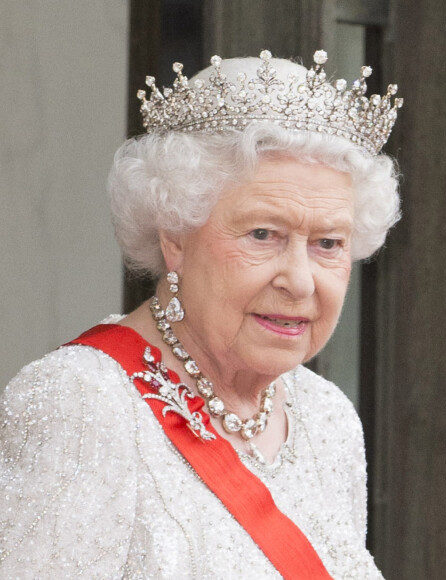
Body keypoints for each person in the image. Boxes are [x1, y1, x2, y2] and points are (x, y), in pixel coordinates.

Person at [0, 50, 402, 578]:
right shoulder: (84, 404)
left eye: (328, 243)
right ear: (175, 236)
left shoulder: (326, 416)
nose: (300, 280)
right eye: (263, 235)